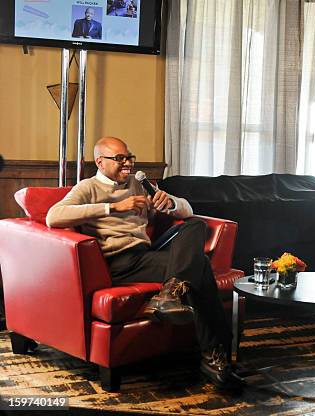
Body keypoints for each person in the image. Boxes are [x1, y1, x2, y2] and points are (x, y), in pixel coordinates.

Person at [46, 137, 241, 389]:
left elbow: (187, 209)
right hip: (117, 262)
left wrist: (170, 204)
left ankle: (171, 293)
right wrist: (113, 207)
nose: (126, 163)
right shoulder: (87, 187)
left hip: (145, 254)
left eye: (129, 157)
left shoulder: (139, 184)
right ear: (100, 162)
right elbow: (54, 216)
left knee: (195, 225)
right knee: (200, 265)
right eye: (119, 159)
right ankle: (215, 360)